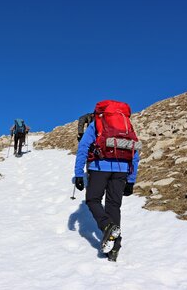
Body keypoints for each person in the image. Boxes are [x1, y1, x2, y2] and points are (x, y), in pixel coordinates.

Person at [74, 101, 140, 262]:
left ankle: (107, 226)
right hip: (122, 169)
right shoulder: (126, 125)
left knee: (92, 200)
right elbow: (135, 151)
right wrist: (131, 180)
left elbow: (83, 147)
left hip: (100, 167)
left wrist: (78, 174)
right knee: (113, 205)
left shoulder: (97, 122)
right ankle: (115, 247)